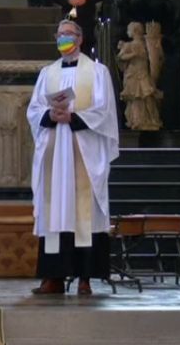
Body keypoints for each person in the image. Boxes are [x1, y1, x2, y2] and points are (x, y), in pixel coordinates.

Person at [26, 20, 119, 296]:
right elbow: (33, 110)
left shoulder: (97, 72)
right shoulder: (47, 73)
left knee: (84, 214)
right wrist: (50, 115)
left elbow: (105, 112)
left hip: (83, 153)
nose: (63, 39)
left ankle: (85, 278)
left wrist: (74, 117)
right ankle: (53, 277)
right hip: (56, 152)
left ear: (80, 39)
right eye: (59, 35)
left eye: (68, 34)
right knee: (55, 211)